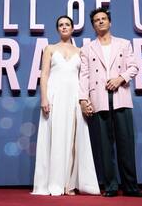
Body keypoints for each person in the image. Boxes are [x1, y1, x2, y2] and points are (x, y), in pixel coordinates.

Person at [79, 7, 142, 198]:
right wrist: (83, 99)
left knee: (126, 144)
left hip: (121, 97)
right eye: (96, 20)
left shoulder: (124, 44)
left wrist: (120, 78)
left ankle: (131, 187)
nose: (100, 21)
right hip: (98, 98)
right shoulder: (87, 48)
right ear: (93, 25)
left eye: (103, 18)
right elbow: (84, 75)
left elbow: (134, 66)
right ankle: (110, 186)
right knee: (104, 145)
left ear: (110, 22)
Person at [32, 15, 100, 196]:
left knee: (73, 140)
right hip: (54, 97)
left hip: (74, 98)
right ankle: (54, 182)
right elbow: (44, 75)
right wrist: (44, 98)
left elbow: (84, 79)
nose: (64, 27)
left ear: (72, 28)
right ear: (57, 29)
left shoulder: (80, 51)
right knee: (55, 137)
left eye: (67, 24)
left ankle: (69, 184)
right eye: (61, 25)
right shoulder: (49, 49)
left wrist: (84, 100)